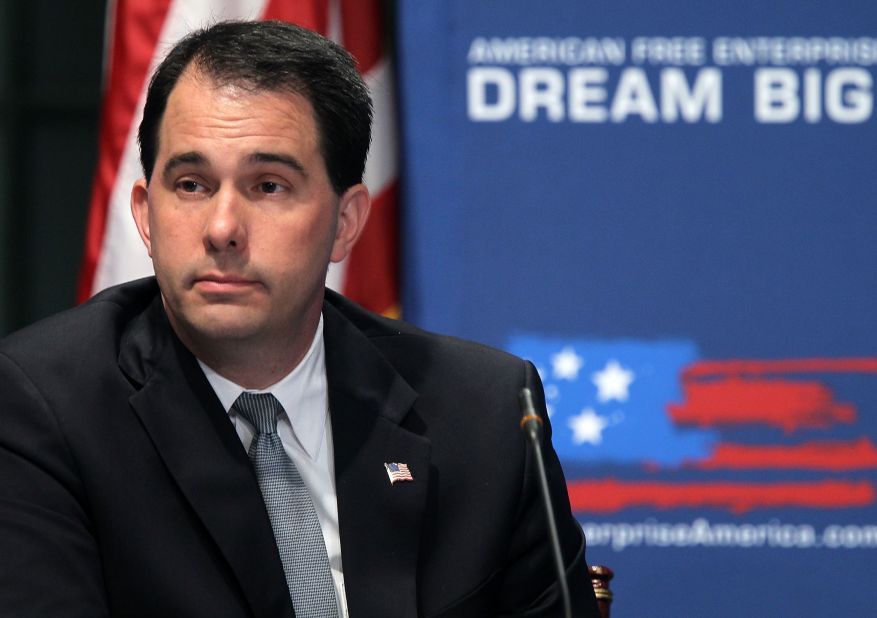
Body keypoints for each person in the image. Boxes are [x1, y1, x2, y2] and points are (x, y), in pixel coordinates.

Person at [0, 20, 599, 618]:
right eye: (190, 184)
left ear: (345, 222)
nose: (221, 229)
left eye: (268, 186)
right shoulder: (47, 409)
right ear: (146, 215)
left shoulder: (486, 413)